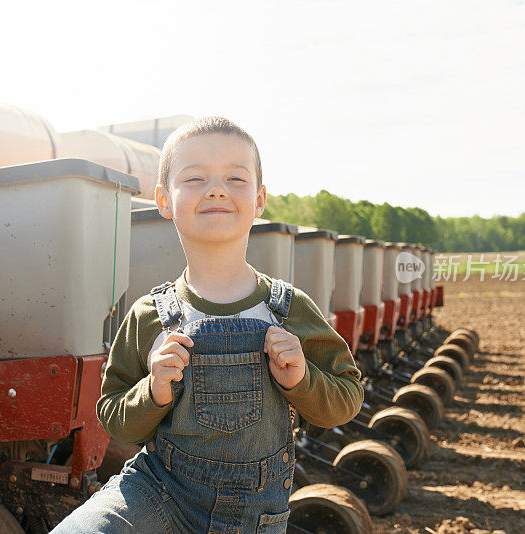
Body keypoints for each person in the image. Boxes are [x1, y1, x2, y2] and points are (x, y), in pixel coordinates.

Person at [52, 117, 363, 534]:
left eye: (236, 178)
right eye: (195, 178)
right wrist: (154, 390)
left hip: (255, 516)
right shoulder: (150, 314)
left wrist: (302, 379)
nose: (216, 189)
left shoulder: (287, 309)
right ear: (163, 200)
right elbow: (112, 415)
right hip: (158, 495)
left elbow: (346, 398)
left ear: (259, 200)